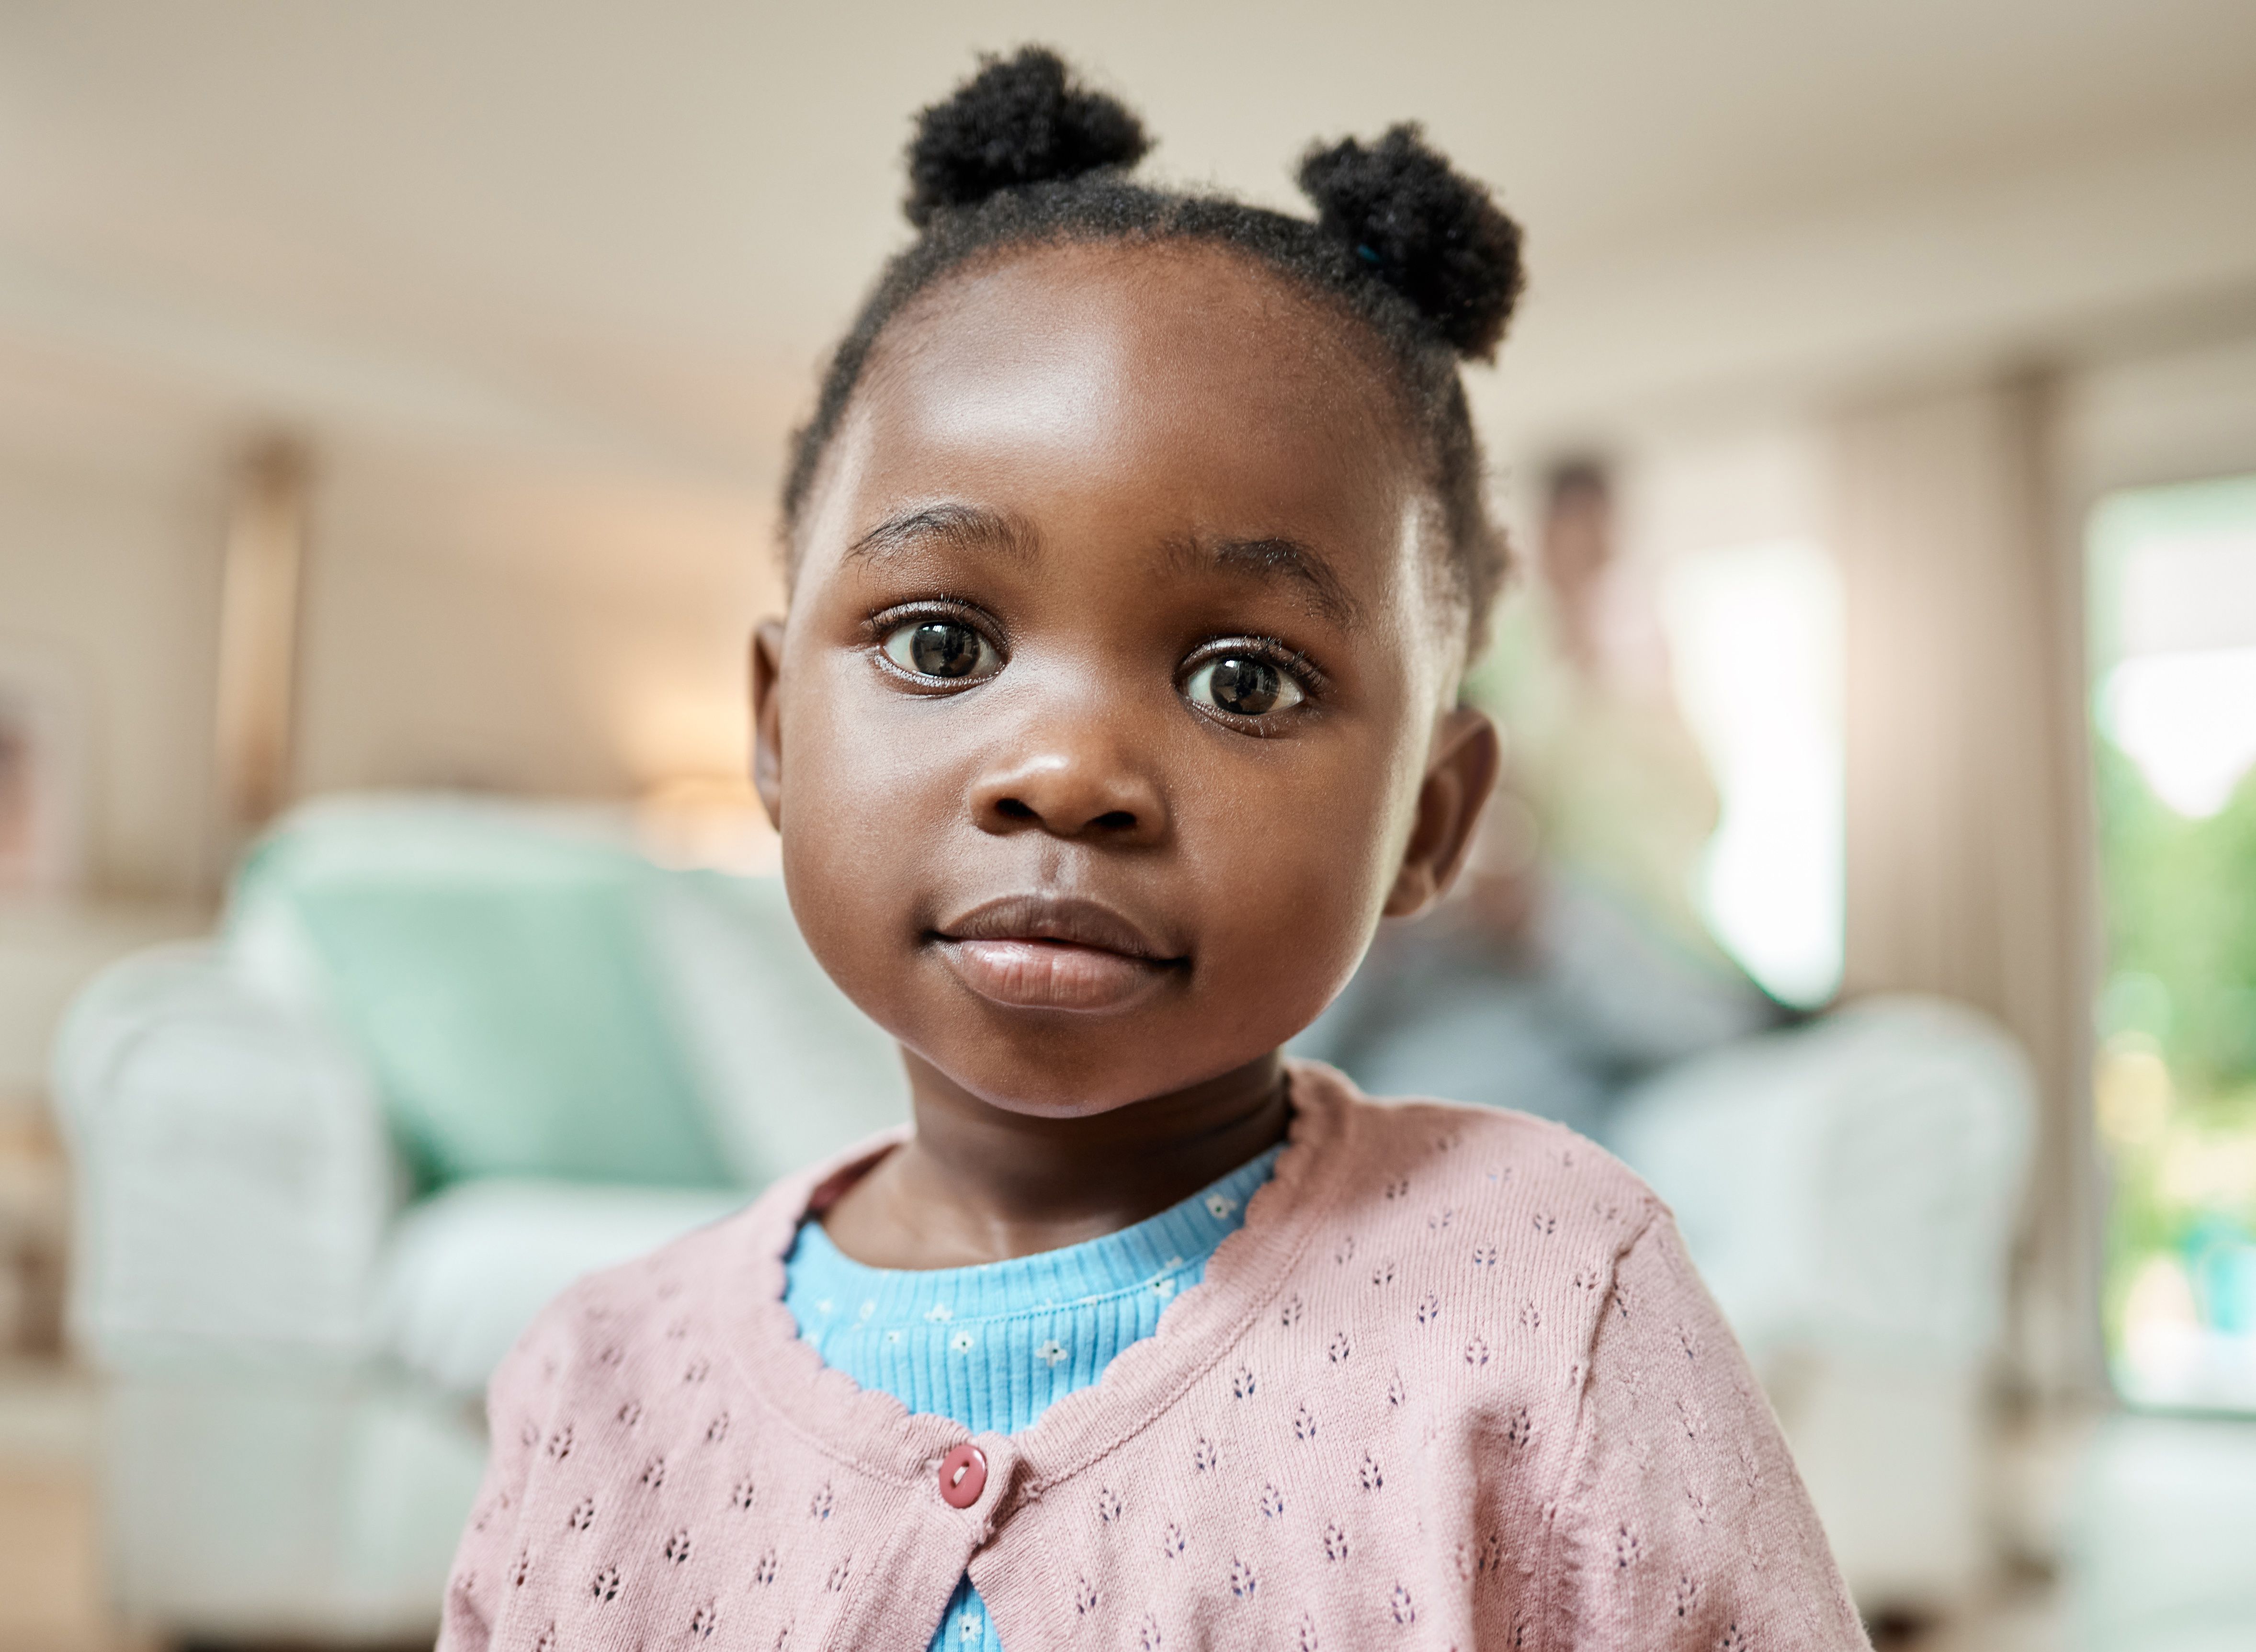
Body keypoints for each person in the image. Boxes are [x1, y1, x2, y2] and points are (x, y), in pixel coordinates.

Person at [438, 48, 1865, 1652]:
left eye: (1240, 679)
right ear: (773, 730)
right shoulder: (595, 1383)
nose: (1069, 774)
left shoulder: (1553, 1292)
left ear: (1432, 821)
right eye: (939, 642)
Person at [1294, 462, 1786, 1143]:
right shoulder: (1341, 926)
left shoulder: (1557, 908)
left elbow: (1706, 1030)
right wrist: (1371, 941)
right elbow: (1267, 1074)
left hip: (1551, 1162)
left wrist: (1538, 925)